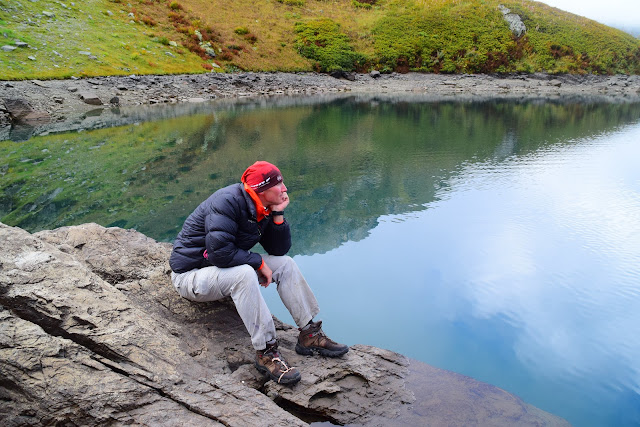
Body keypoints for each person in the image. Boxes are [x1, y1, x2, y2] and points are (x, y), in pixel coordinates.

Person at [169, 161, 348, 385]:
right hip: (191, 276)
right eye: (278, 184)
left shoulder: (261, 208)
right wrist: (257, 263)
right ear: (261, 190)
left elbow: (278, 250)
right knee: (245, 273)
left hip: (222, 272)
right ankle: (266, 352)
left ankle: (309, 334)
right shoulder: (227, 202)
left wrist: (278, 216)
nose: (284, 189)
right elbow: (218, 254)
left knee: (286, 264)